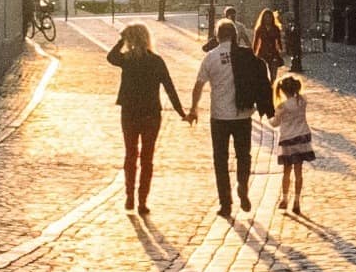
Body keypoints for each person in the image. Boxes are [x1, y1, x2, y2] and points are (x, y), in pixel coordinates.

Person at [187, 19, 274, 218]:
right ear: (234, 35)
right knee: (244, 155)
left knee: (221, 159)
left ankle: (225, 204)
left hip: (219, 116)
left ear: (218, 36)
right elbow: (261, 78)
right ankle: (242, 184)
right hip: (242, 114)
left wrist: (193, 109)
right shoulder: (246, 56)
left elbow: (198, 86)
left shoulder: (211, 57)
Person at [106, 24, 186, 216]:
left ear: (131, 40)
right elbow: (169, 87)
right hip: (151, 114)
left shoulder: (127, 59)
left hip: (130, 113)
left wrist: (121, 40)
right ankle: (142, 201)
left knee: (130, 154)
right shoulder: (156, 61)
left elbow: (110, 57)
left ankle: (129, 196)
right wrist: (181, 112)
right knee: (147, 158)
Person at [272, 75, 315, 215]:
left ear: (283, 91)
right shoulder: (302, 101)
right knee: (298, 172)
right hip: (302, 138)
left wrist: (268, 117)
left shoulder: (282, 106)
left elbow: (275, 123)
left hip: (288, 139)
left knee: (286, 171)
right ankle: (296, 201)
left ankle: (284, 199)